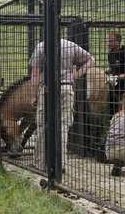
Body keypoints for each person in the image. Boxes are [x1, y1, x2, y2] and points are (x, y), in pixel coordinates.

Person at [30, 39, 94, 171]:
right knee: (63, 126)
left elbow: (35, 73)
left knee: (43, 125)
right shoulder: (71, 44)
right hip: (66, 88)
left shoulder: (41, 46)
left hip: (47, 89)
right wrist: (75, 75)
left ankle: (40, 163)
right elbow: (91, 60)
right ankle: (60, 164)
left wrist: (34, 95)